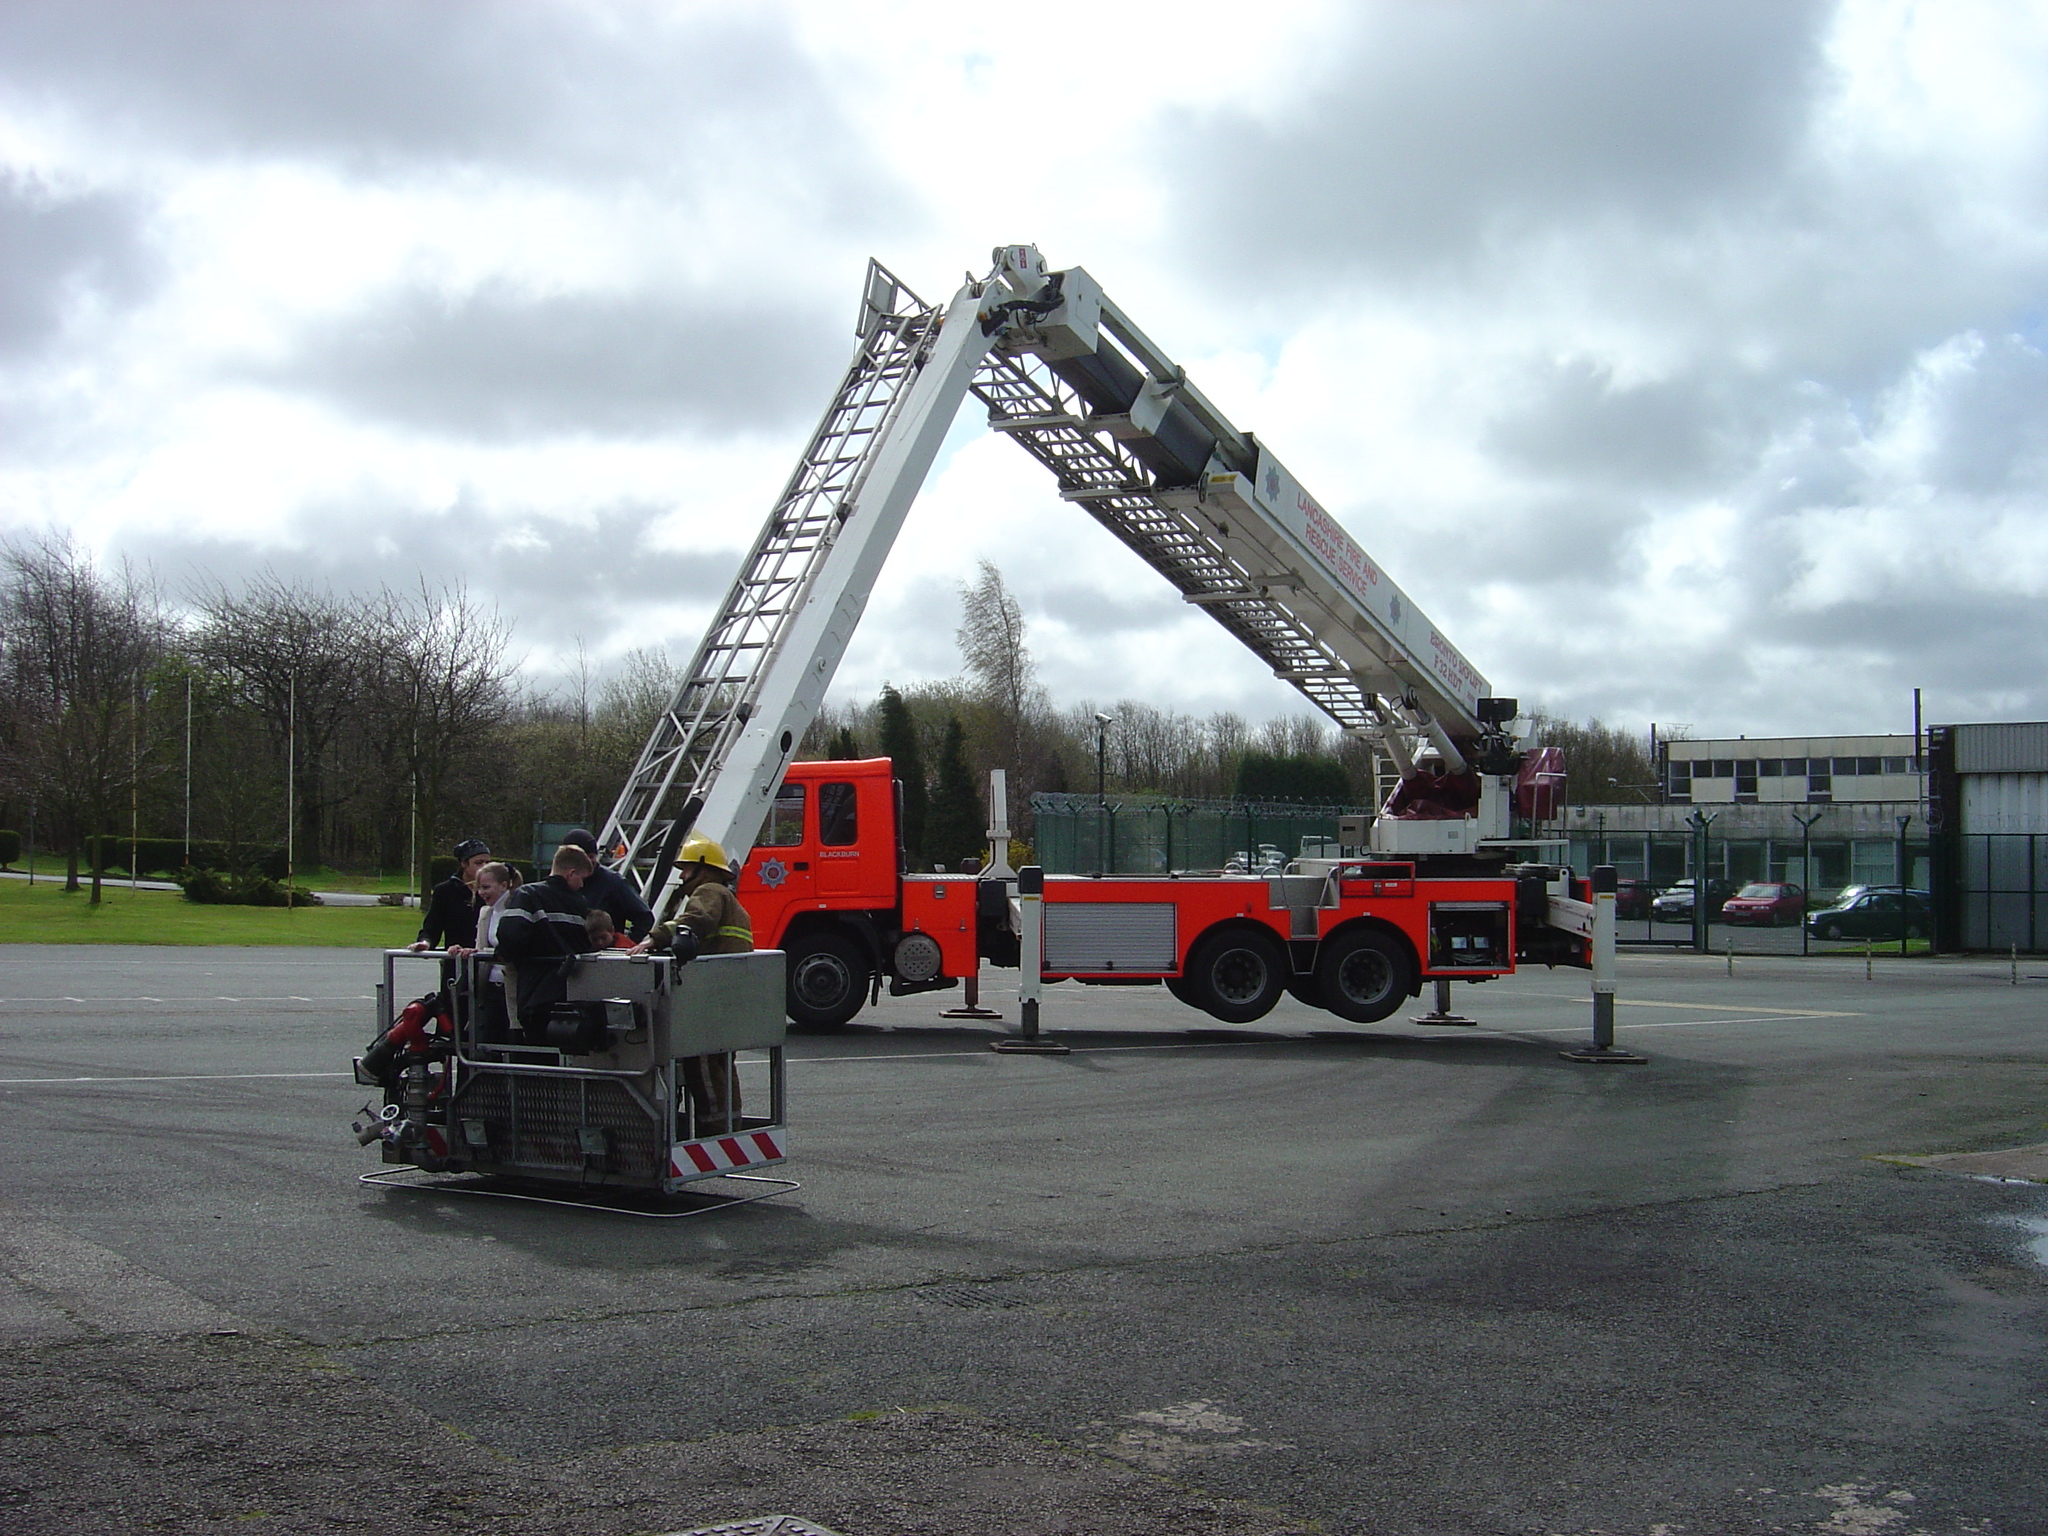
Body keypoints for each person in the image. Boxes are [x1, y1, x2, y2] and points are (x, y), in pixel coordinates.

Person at [635, 833, 751, 1135]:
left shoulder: (710, 890)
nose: (682, 876)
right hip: (728, 995)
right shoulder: (730, 899)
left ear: (704, 867)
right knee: (722, 1063)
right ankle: (729, 1125)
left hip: (708, 998)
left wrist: (656, 938)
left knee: (701, 1063)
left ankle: (713, 1131)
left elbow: (696, 919)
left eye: (686, 869)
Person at [491, 844, 601, 1042]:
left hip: (534, 992)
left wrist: (506, 954)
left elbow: (510, 936)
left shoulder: (527, 895)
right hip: (573, 994)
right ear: (571, 873)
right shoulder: (579, 904)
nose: (582, 885)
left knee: (537, 1055)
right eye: (581, 879)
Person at [450, 861, 520, 1043]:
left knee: (512, 1039)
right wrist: (465, 950)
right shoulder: (485, 913)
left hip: (512, 988)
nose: (481, 893)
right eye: (479, 887)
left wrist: (485, 951)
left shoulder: (517, 910)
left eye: (487, 887)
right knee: (487, 1042)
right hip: (489, 988)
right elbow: (480, 947)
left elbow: (513, 947)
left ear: (504, 885)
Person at [560, 829, 655, 943]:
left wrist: (623, 944)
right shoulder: (560, 884)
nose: (589, 862)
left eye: (591, 856)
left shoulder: (613, 883)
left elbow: (644, 917)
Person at [412, 838, 491, 952]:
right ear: (464, 863)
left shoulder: (495, 890)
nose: (484, 867)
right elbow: (432, 926)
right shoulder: (445, 891)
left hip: (487, 963)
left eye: (488, 863)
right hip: (455, 960)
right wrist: (425, 943)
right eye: (478, 863)